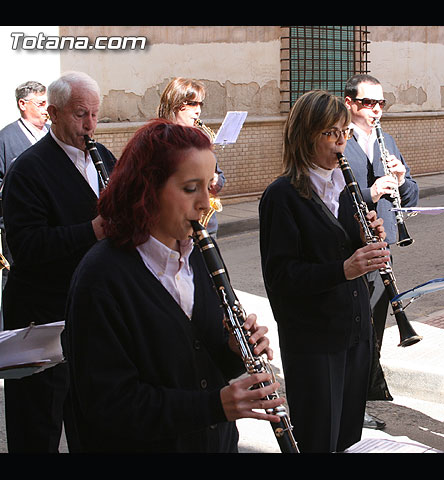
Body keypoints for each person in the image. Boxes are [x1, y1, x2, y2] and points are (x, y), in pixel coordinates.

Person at [63, 119, 283, 452]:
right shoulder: (101, 278)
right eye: (190, 188)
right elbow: (107, 405)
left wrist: (235, 351)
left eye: (208, 187)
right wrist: (215, 406)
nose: (205, 204)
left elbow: (201, 366)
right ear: (146, 189)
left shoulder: (200, 255)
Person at [259, 90, 388, 452]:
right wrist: (343, 269)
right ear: (305, 135)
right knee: (317, 439)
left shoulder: (347, 187)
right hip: (315, 341)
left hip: (355, 332)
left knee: (348, 439)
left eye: (343, 132)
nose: (340, 142)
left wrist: (366, 237)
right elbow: (281, 278)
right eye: (330, 134)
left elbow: (345, 247)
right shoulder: (282, 196)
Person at [1, 71, 117, 452]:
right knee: (38, 426)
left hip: (90, 316)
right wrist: (93, 231)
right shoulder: (28, 169)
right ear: (52, 113)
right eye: (80, 114)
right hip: (42, 320)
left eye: (95, 115)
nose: (90, 125)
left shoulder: (104, 158)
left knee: (91, 421)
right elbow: (26, 246)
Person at [344, 74, 419, 428]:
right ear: (349, 104)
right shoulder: (340, 143)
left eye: (380, 104)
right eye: (367, 103)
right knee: (353, 333)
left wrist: (403, 181)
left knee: (373, 333)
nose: (375, 110)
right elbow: (333, 200)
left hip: (382, 249)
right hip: (351, 251)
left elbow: (411, 198)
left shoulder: (386, 140)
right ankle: (348, 407)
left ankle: (360, 404)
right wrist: (370, 193)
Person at [0, 81, 51, 327]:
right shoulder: (6, 139)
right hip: (18, 229)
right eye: (40, 104)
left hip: (53, 228)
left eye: (47, 103)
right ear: (23, 104)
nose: (46, 109)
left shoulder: (53, 134)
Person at [158, 77, 225, 237]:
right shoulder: (159, 140)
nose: (198, 111)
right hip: (178, 228)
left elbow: (220, 176)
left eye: (200, 104)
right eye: (193, 104)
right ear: (176, 104)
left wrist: (215, 180)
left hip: (206, 226)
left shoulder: (200, 137)